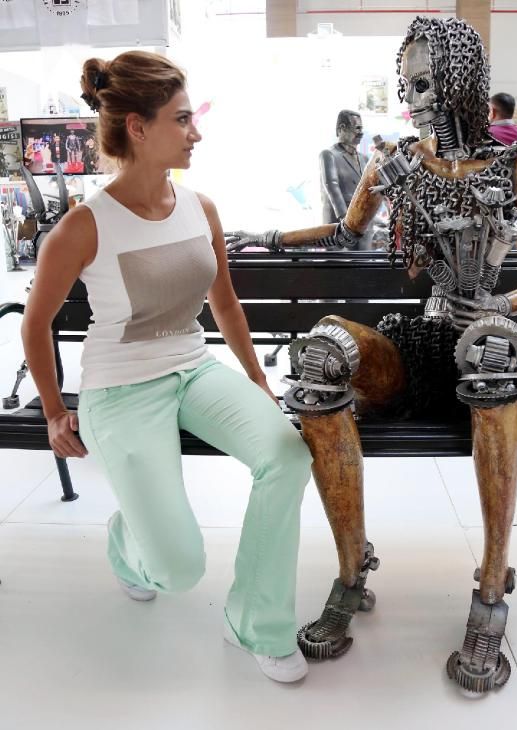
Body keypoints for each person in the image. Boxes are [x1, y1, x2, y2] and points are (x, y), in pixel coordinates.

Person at [226, 16, 517, 694]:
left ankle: (490, 594)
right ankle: (351, 575)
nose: (412, 96)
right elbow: (345, 232)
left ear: (461, 80)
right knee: (322, 359)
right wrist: (267, 236)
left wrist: (500, 305)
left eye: (425, 82)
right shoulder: (393, 162)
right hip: (420, 343)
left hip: (491, 347)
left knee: (490, 356)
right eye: (406, 83)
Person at [20, 50, 312, 684]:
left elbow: (224, 302)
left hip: (194, 367)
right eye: (182, 119)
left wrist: (256, 381)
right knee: (178, 570)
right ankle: (128, 543)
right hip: (120, 388)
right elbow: (34, 323)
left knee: (287, 456)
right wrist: (54, 411)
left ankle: (257, 622)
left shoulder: (200, 206)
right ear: (138, 127)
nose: (195, 133)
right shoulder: (83, 227)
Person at [319, 110, 382, 250]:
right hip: (339, 228)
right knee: (338, 263)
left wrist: (373, 218)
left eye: (362, 128)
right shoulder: (329, 155)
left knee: (363, 261)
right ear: (342, 128)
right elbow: (332, 187)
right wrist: (346, 221)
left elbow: (369, 189)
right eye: (357, 128)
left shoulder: (364, 159)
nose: (361, 133)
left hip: (363, 226)